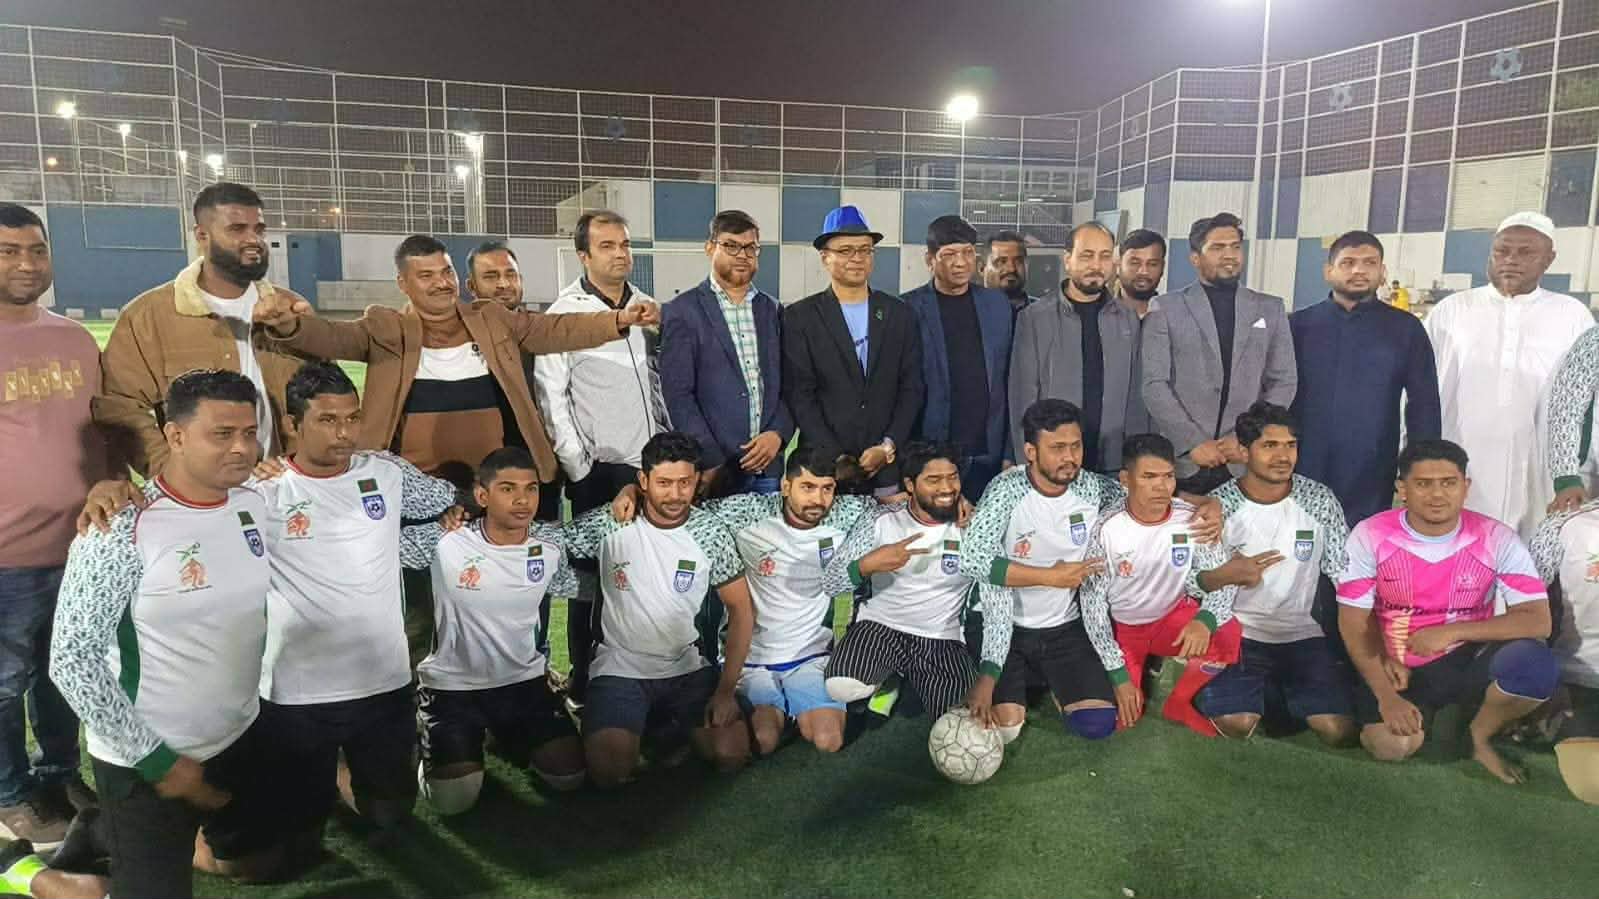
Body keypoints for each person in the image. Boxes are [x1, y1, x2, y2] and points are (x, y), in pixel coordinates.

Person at [52, 371, 289, 897]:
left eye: (249, 432)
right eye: (222, 434)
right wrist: (158, 761)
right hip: (148, 758)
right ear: (175, 435)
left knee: (257, 863)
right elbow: (71, 660)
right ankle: (41, 874)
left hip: (238, 734)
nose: (242, 448)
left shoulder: (253, 503)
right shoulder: (119, 528)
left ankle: (105, 829)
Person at [246, 362, 458, 837]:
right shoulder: (260, 491)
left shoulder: (385, 473)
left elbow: (448, 499)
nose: (344, 433)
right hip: (297, 689)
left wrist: (455, 512)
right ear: (292, 424)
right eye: (327, 420)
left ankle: (346, 770)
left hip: (382, 681)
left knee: (391, 816)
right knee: (296, 831)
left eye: (351, 418)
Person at [612, 446, 879, 756]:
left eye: (826, 489)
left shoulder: (845, 514)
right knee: (763, 740)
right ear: (785, 486)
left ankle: (793, 708)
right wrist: (631, 490)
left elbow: (889, 509)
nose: (818, 500)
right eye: (807, 487)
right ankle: (768, 712)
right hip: (753, 659)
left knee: (828, 739)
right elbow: (679, 509)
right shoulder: (747, 512)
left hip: (810, 653)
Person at [1336, 439, 1559, 784]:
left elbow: (1538, 620)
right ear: (1402, 489)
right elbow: (1353, 623)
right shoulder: (1371, 534)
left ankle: (1479, 737)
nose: (1437, 494)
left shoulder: (1495, 537)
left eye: (1449, 483)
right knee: (1392, 747)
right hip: (1398, 667)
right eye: (1424, 484)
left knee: (1534, 662)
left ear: (1465, 487)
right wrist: (1386, 695)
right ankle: (1444, 721)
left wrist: (1452, 632)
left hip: (1466, 660)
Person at [561, 432, 753, 787]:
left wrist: (725, 691)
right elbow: (547, 544)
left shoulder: (710, 532)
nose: (675, 494)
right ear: (644, 480)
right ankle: (641, 724)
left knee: (731, 754)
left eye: (684, 483)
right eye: (664, 483)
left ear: (697, 480)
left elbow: (741, 609)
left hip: (687, 667)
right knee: (608, 772)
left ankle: (662, 726)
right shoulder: (611, 522)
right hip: (620, 668)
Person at [535, 211, 670, 700]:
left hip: (650, 469)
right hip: (600, 470)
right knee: (590, 580)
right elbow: (551, 396)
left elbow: (659, 385)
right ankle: (583, 679)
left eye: (625, 244)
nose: (620, 254)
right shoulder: (563, 315)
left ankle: (642, 675)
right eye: (607, 245)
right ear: (583, 255)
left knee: (646, 578)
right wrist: (579, 467)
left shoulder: (647, 307)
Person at [0, 204, 100, 847]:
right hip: (5, 555)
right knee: (4, 685)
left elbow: (101, 427)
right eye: (8, 251)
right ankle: (9, 795)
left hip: (81, 545)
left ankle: (60, 772)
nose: (27, 264)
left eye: (36, 250)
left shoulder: (74, 338)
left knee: (65, 671)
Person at [409, 447, 585, 813]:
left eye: (531, 488)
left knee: (570, 776)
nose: (523, 500)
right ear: (482, 495)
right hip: (453, 689)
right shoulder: (444, 538)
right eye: (507, 489)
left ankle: (502, 734)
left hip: (523, 685)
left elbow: (576, 580)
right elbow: (374, 541)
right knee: (452, 802)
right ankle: (427, 739)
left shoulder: (549, 543)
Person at [93, 182, 307, 480]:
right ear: (202, 236)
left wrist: (303, 467)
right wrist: (172, 472)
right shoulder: (148, 315)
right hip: (201, 494)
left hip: (287, 486)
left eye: (259, 229)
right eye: (237, 229)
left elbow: (322, 397)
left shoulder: (291, 308)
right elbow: (121, 406)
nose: (253, 240)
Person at [960, 400, 1127, 744]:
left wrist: (1207, 505)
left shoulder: (1094, 488)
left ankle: (1049, 679)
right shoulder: (1006, 489)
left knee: (1097, 724)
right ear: (1031, 452)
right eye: (1057, 448)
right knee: (1005, 729)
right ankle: (1028, 680)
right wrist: (1049, 576)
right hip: (1005, 627)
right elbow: (973, 558)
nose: (1070, 457)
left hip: (1063, 627)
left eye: (1076, 446)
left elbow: (1138, 498)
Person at [1194, 402, 1357, 745]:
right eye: (1270, 445)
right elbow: (1196, 583)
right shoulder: (1219, 505)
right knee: (1237, 724)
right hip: (1238, 633)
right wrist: (1229, 574)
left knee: (1337, 730)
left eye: (1290, 445)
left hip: (1301, 633)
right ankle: (1258, 691)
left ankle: (1275, 690)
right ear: (1243, 451)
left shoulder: (1319, 499)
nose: (1283, 456)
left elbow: (1343, 572)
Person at [1425, 211, 1593, 537]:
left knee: (1534, 546)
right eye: (1502, 251)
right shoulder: (1451, 310)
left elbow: (1586, 400)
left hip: (1539, 460)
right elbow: (1419, 388)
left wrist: (1576, 469)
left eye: (1525, 252)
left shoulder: (1573, 316)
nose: (1511, 260)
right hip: (1460, 451)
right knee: (1459, 543)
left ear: (1549, 259)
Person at [1077, 433, 1242, 736]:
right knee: (1115, 721)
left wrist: (1204, 620)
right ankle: (1118, 676)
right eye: (1149, 477)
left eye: (1168, 476)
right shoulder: (1106, 529)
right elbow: (1092, 606)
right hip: (1121, 630)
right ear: (1125, 480)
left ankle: (1179, 703)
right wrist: (1118, 675)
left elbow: (1225, 577)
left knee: (1226, 633)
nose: (1161, 486)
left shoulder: (1192, 519)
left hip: (1170, 617)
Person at [1290, 231, 1441, 526]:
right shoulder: (1298, 325)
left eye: (1369, 263)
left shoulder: (1405, 329)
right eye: (1348, 263)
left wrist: (1421, 463)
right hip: (1303, 459)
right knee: (1302, 537)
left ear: (1382, 272)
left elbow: (1423, 402)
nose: (1359, 270)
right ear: (1328, 271)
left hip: (1372, 462)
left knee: (1363, 541)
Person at [1142, 212, 1297, 495]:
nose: (1229, 255)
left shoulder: (1271, 308)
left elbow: (1284, 380)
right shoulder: (1165, 308)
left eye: (1235, 246)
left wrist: (1247, 436)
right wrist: (1192, 441)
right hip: (1185, 461)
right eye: (1217, 247)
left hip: (1245, 459)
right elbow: (1154, 384)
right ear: (1195, 258)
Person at [821, 441, 976, 719]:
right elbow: (832, 582)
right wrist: (867, 565)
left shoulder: (973, 525)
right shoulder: (880, 520)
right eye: (933, 480)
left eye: (952, 477)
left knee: (956, 719)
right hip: (880, 627)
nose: (946, 488)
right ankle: (888, 675)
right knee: (840, 687)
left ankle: (908, 676)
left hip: (941, 636)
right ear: (910, 485)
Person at [462, 239, 560, 668]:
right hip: (478, 479)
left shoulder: (537, 332)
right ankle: (471, 669)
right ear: (471, 286)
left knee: (536, 573)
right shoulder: (458, 336)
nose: (503, 284)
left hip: (537, 477)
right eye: (491, 276)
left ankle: (536, 665)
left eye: (510, 275)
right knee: (473, 578)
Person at [782, 205, 924, 494]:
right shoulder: (800, 317)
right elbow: (800, 395)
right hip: (825, 470)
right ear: (825, 257)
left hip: (886, 466)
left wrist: (888, 445)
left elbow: (912, 387)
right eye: (845, 250)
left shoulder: (899, 313)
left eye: (865, 250)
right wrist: (836, 456)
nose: (857, 258)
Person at [659, 210, 791, 499]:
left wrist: (778, 434)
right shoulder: (682, 311)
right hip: (716, 471)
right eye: (731, 246)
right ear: (710, 248)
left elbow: (789, 382)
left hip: (767, 467)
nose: (742, 255)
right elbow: (678, 395)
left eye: (750, 247)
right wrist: (710, 458)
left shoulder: (772, 310)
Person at [1010, 222, 1150, 475]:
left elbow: (1136, 397)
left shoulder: (1127, 319)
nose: (1096, 265)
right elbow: (1023, 398)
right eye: (1087, 255)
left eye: (1104, 256)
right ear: (1068, 260)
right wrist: (1027, 464)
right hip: (1054, 464)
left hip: (1112, 461)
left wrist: (1135, 460)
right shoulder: (1034, 318)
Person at [903, 215, 1013, 499]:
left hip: (989, 451)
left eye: (967, 252)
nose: (961, 262)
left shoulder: (997, 305)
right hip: (932, 453)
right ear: (930, 259)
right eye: (949, 254)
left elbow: (1010, 380)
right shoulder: (908, 309)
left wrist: (1009, 451)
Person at [1529, 500, 1599, 804]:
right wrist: (1545, 685)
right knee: (1592, 784)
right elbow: (1522, 610)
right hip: (1579, 682)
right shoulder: (1563, 527)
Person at [1114, 229, 1167, 320]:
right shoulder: (1098, 315)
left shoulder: (1175, 317)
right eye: (1135, 263)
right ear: (1118, 265)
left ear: (1162, 268)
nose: (1143, 271)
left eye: (1152, 264)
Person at [982, 230, 1034, 317]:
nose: (1011, 269)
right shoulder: (966, 312)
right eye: (1001, 261)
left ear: (1027, 266)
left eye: (1018, 261)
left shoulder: (1047, 313)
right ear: (982, 268)